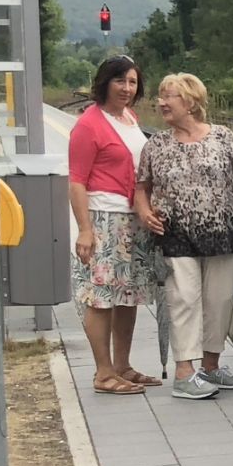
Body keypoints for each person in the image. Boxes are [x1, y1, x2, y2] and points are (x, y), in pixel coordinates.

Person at [133, 74, 233, 401]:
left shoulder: (222, 137)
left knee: (218, 301)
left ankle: (211, 367)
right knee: (184, 299)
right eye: (160, 97)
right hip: (175, 234)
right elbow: (141, 188)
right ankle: (184, 372)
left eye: (168, 97)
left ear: (189, 102)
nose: (161, 103)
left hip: (223, 232)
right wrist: (145, 212)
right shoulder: (156, 145)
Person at [67, 55, 162, 394]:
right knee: (101, 295)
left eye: (133, 82)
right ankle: (103, 372)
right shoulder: (89, 124)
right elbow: (76, 180)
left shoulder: (129, 117)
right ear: (104, 82)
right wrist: (84, 230)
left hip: (131, 220)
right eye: (120, 81)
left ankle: (122, 365)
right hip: (104, 218)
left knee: (127, 295)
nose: (127, 88)